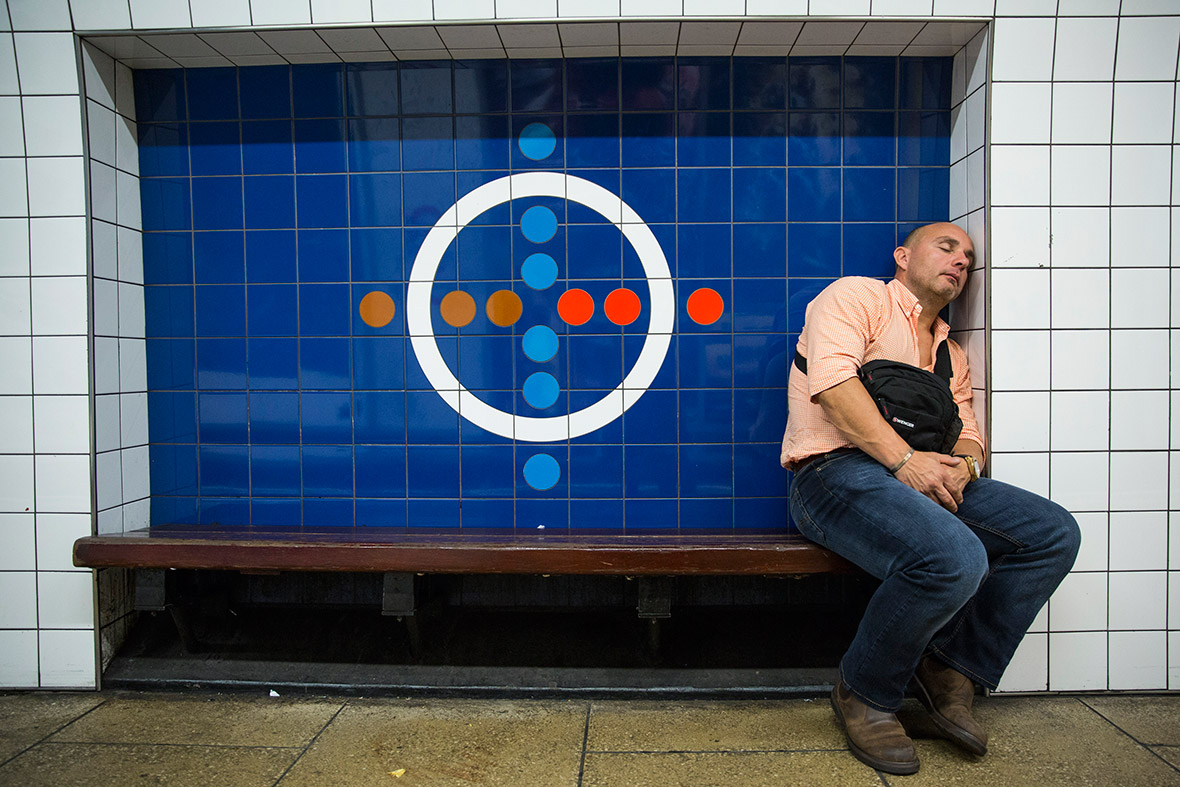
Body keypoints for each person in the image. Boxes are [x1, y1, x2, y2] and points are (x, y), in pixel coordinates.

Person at [781, 222, 1080, 775]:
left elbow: (970, 433)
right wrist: (904, 462)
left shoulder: (952, 354)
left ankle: (947, 667)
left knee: (1051, 534)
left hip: (924, 478)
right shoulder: (856, 298)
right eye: (946, 247)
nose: (961, 261)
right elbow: (833, 387)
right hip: (833, 476)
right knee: (951, 557)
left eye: (968, 257)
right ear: (902, 256)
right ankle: (865, 693)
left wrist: (962, 469)